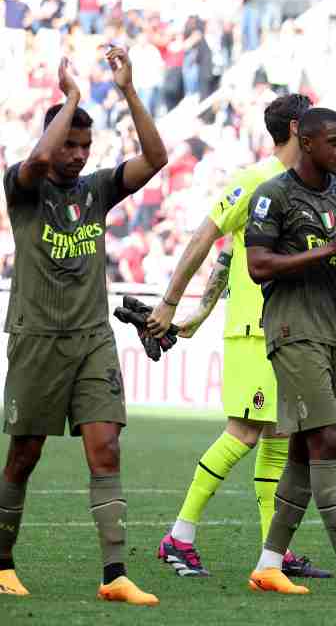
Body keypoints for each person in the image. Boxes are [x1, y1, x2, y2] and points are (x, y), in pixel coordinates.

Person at [1, 48, 167, 603]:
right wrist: (71, 96)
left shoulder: (97, 189)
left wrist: (128, 91)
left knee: (106, 448)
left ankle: (114, 575)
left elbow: (156, 158)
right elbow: (36, 162)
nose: (77, 155)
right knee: (24, 455)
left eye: (84, 146)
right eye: (69, 144)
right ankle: (1, 562)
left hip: (94, 338)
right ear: (51, 141)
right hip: (37, 338)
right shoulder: (23, 187)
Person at [145, 93, 328, 579]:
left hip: (289, 331)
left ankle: (274, 552)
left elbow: (230, 256)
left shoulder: (301, 186)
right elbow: (206, 238)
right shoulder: (254, 180)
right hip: (255, 331)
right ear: (297, 127)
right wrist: (172, 304)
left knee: (279, 436)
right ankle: (179, 536)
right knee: (244, 432)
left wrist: (202, 312)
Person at [242, 108, 336, 598]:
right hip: (292, 328)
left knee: (304, 451)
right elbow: (259, 266)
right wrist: (331, 246)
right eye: (335, 142)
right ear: (306, 142)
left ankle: (268, 565)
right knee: (324, 439)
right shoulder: (275, 195)